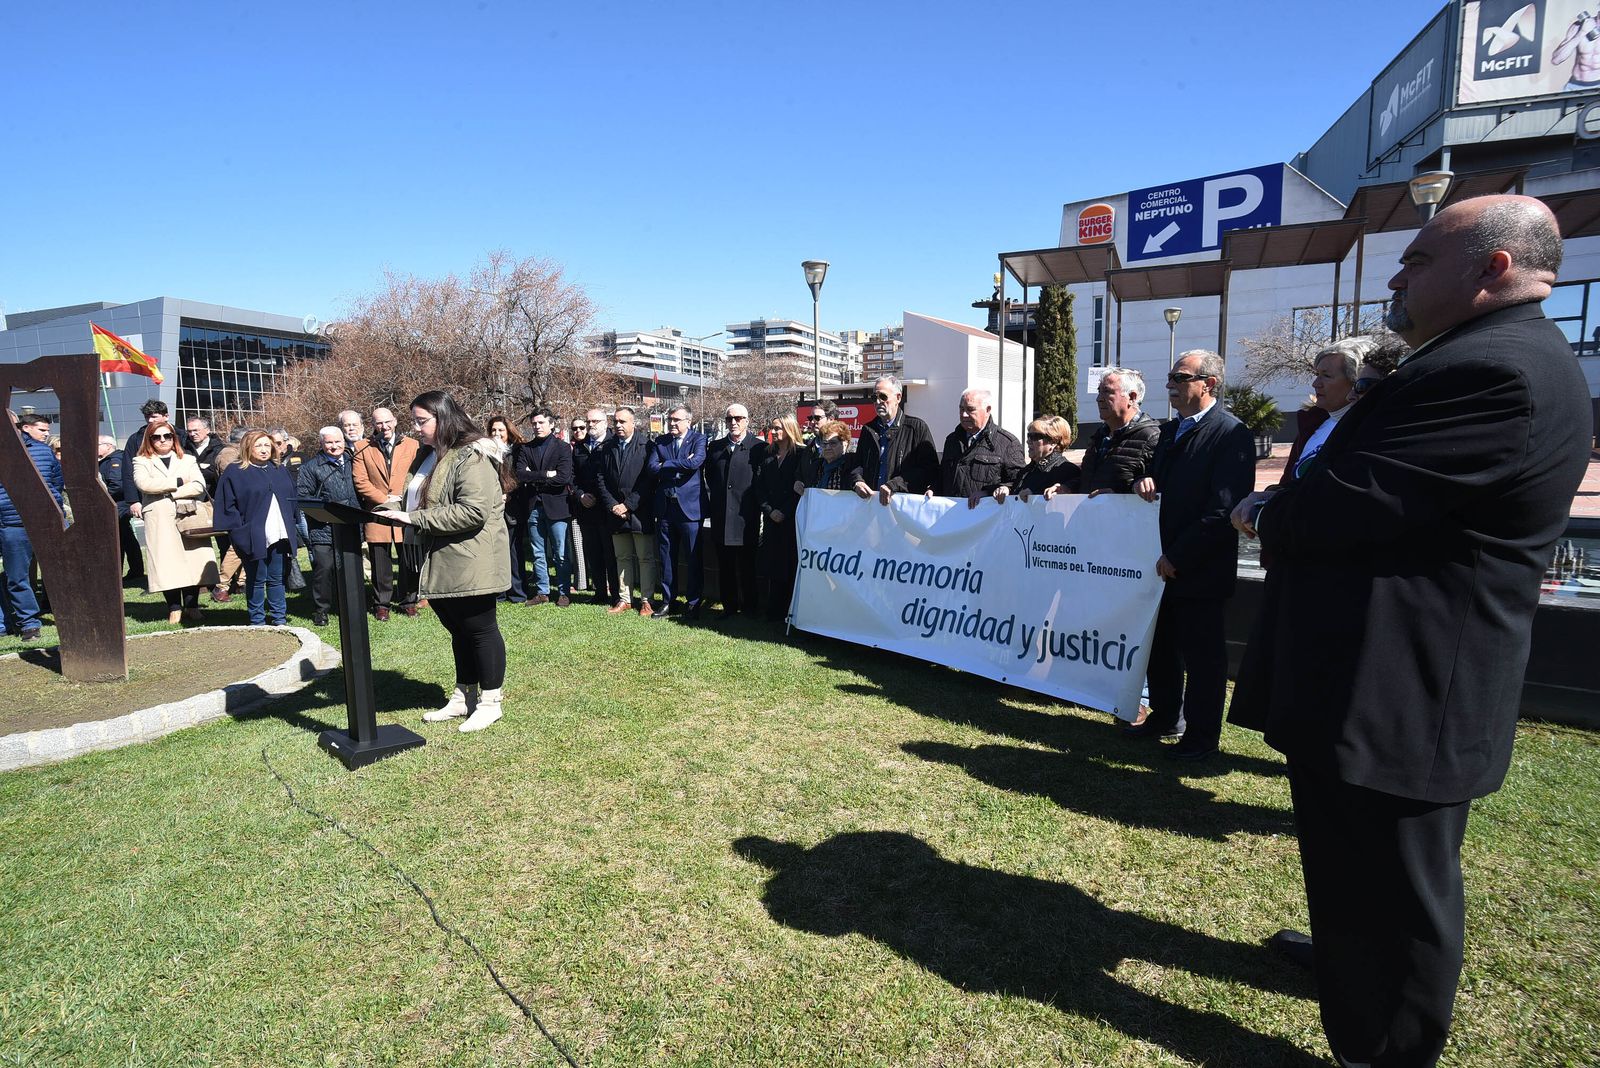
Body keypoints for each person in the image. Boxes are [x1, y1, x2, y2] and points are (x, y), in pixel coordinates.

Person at [1230, 195, 1590, 1068]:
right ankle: (1352, 964)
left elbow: (1354, 504)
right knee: (1357, 867)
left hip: (1405, 689)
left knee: (1398, 884)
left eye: (1419, 259)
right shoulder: (1470, 358)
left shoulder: (1493, 371)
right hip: (1375, 677)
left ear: (1494, 268)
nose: (1396, 278)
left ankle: (1383, 1044)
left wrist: (1265, 512)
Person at [1128, 350, 1256, 760]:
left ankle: (1202, 738)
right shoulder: (1170, 431)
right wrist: (1143, 482)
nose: (1170, 384)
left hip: (1199, 569)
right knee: (1161, 648)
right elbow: (1156, 481)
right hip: (1160, 565)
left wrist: (1179, 556)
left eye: (1179, 377)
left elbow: (1223, 510)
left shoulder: (1231, 433)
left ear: (1209, 384)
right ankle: (1167, 717)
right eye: (1170, 376)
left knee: (1203, 661)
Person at [375, 391, 511, 733]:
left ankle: (490, 703)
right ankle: (464, 696)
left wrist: (413, 519)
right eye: (415, 421)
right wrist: (391, 509)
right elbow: (420, 499)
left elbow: (473, 511)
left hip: (471, 557)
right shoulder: (430, 454)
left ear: (443, 417)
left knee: (479, 630)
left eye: (422, 421)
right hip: (439, 557)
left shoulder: (473, 455)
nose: (416, 428)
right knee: (459, 631)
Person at [133, 417, 219, 625]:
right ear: (149, 439)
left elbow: (198, 485)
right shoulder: (141, 461)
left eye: (167, 436)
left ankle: (192, 606)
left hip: (188, 515)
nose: (163, 440)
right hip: (159, 517)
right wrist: (178, 481)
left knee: (193, 560)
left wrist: (170, 492)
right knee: (166, 562)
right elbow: (144, 484)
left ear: (174, 438)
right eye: (157, 437)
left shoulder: (187, 459)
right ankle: (174, 608)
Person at [215, 430, 298, 626]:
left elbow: (291, 497)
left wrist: (292, 521)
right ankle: (257, 620)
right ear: (247, 447)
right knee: (256, 578)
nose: (263, 450)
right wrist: (238, 531)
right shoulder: (236, 472)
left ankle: (279, 619)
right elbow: (227, 505)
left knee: (276, 578)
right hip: (252, 534)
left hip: (278, 533)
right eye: (258, 445)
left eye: (267, 445)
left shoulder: (278, 469)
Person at [352, 407, 425, 620]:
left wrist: (402, 498)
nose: (384, 427)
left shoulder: (412, 445)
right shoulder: (362, 447)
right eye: (379, 423)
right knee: (380, 562)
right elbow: (360, 480)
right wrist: (385, 499)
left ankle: (408, 601)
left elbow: (419, 475)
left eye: (387, 422)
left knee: (408, 560)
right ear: (373, 425)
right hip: (377, 512)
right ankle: (382, 604)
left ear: (395, 421)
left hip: (405, 510)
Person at [1, 410, 64, 640]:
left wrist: (53, 506)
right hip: (13, 523)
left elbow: (57, 481)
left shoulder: (42, 451)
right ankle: (29, 624)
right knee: (18, 576)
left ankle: (67, 613)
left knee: (60, 570)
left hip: (47, 520)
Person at [705, 403, 767, 617]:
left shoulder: (759, 448)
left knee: (747, 566)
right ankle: (729, 606)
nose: (733, 422)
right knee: (725, 566)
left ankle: (750, 607)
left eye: (738, 418)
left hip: (746, 517)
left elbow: (761, 481)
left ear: (747, 421)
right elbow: (711, 477)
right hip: (721, 516)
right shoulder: (715, 447)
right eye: (729, 418)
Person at [647, 405, 707, 619]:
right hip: (665, 508)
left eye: (676, 420)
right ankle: (668, 601)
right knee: (666, 558)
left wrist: (666, 464)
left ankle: (693, 603)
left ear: (688, 421)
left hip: (690, 509)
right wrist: (679, 464)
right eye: (670, 419)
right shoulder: (660, 441)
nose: (672, 423)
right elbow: (652, 468)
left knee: (693, 558)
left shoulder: (699, 439)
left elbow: (695, 463)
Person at [597, 406, 658, 616]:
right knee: (622, 557)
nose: (618, 425)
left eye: (622, 421)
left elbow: (649, 481)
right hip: (615, 513)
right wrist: (613, 505)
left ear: (633, 423)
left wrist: (628, 505)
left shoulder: (647, 446)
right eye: (615, 421)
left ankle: (647, 600)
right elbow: (601, 479)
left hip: (640, 511)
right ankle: (625, 599)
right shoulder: (608, 447)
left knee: (645, 558)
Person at [296, 426, 359, 627]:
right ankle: (321, 610)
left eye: (337, 442)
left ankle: (349, 605)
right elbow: (303, 497)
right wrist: (325, 510)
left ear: (344, 442)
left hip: (350, 525)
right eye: (329, 442)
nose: (334, 446)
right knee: (324, 568)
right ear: (321, 444)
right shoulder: (310, 467)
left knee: (349, 568)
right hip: (323, 528)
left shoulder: (354, 461)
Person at [515, 408, 575, 606]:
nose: (537, 426)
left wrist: (535, 476)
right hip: (534, 506)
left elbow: (563, 477)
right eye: (534, 423)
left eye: (541, 423)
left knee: (560, 552)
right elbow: (520, 474)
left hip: (557, 506)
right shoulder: (526, 448)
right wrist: (546, 474)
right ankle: (543, 591)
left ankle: (564, 592)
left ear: (551, 424)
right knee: (538, 552)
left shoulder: (563, 447)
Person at [850, 376, 938, 505]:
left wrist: (895, 485)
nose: (878, 402)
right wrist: (857, 481)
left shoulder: (916, 428)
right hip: (872, 506)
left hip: (903, 508)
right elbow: (857, 465)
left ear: (898, 398)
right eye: (874, 397)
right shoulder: (868, 430)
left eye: (883, 397)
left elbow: (929, 469)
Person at [1079, 368, 1161, 494]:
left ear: (1132, 397)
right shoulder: (1100, 436)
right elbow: (1087, 479)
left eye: (1107, 391)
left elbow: (1158, 489)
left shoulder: (1152, 438)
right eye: (1099, 391)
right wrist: (1068, 487)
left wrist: (1118, 496)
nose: (1099, 398)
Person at [940, 388, 1026, 507]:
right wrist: (933, 489)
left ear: (988, 410)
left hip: (987, 516)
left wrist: (992, 492)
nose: (964, 415)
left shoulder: (1007, 443)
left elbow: (1020, 482)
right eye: (961, 409)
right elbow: (942, 477)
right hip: (952, 515)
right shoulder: (952, 440)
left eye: (970, 409)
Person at [756, 415, 804, 621]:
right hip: (771, 518)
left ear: (789, 428)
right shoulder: (767, 454)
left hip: (791, 519)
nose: (774, 432)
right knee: (772, 565)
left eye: (778, 428)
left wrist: (784, 511)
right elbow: (759, 486)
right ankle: (773, 610)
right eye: (772, 428)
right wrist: (769, 510)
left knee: (790, 565)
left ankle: (789, 611)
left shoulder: (801, 454)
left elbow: (800, 487)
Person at [572, 408, 619, 606]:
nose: (591, 425)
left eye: (595, 421)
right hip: (587, 508)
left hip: (607, 509)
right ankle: (600, 593)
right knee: (593, 553)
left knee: (611, 554)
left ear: (605, 423)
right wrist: (580, 495)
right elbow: (572, 477)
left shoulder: (613, 443)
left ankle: (616, 595)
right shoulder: (580, 447)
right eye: (588, 421)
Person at [486, 415, 531, 604]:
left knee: (513, 549)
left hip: (512, 507)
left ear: (509, 432)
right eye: (493, 430)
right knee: (496, 551)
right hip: (492, 508)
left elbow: (520, 476)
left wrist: (507, 494)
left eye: (501, 430)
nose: (497, 433)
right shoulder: (486, 451)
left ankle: (517, 592)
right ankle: (499, 592)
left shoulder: (518, 451)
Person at [994, 415, 1079, 503]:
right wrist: (1007, 489)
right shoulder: (1026, 471)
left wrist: (1035, 496)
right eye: (1029, 436)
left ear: (1053, 442)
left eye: (1034, 437)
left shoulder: (1067, 471)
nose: (1028, 441)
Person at [97, 434, 144, 586]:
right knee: (126, 537)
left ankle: (127, 572)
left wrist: (103, 498)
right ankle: (135, 570)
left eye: (98, 444)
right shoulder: (107, 460)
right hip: (118, 504)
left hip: (118, 505)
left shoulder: (115, 460)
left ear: (108, 446)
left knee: (120, 538)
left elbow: (117, 485)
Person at [121, 398, 169, 525]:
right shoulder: (135, 439)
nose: (150, 420)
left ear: (166, 416)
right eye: (147, 417)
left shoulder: (180, 435)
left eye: (154, 416)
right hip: (148, 497)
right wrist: (133, 501)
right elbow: (128, 471)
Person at [185, 416, 226, 494]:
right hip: (189, 494)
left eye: (196, 430)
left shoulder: (219, 449)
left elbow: (215, 473)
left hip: (211, 495)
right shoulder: (184, 449)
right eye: (189, 431)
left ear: (207, 430)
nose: (192, 434)